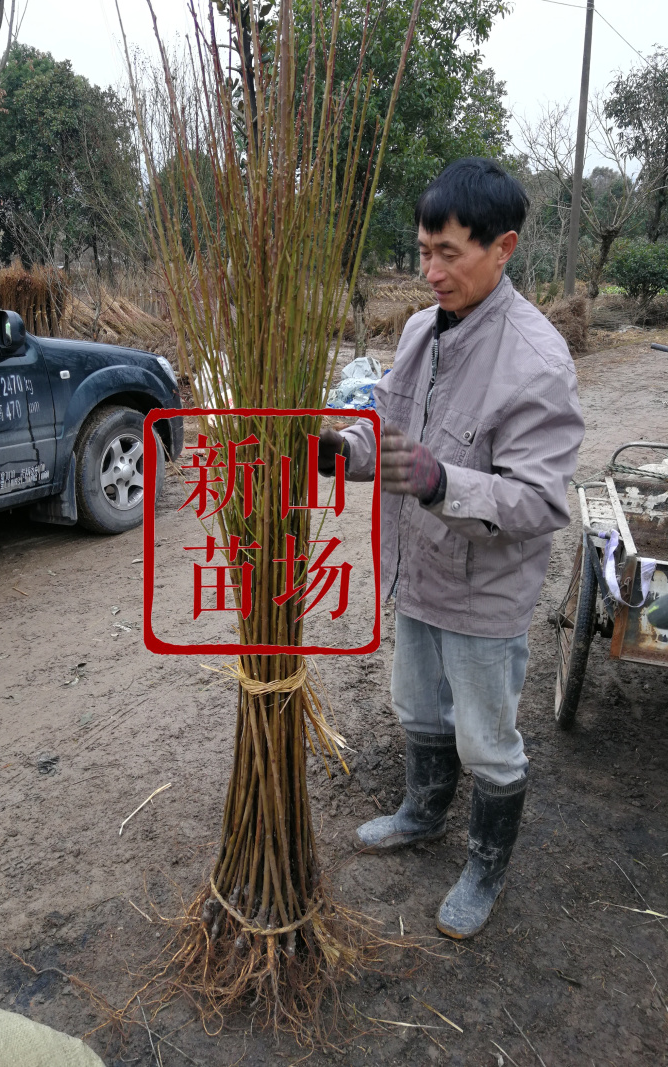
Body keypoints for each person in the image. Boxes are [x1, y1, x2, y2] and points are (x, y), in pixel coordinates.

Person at [319, 157, 585, 939]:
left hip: (484, 590)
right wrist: (344, 452)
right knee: (415, 705)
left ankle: (486, 861)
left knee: (486, 737)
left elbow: (538, 501)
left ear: (502, 248)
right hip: (419, 569)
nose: (430, 271)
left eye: (450, 254)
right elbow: (397, 443)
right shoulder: (418, 331)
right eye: (423, 251)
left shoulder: (537, 363)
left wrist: (443, 483)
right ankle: (422, 810)